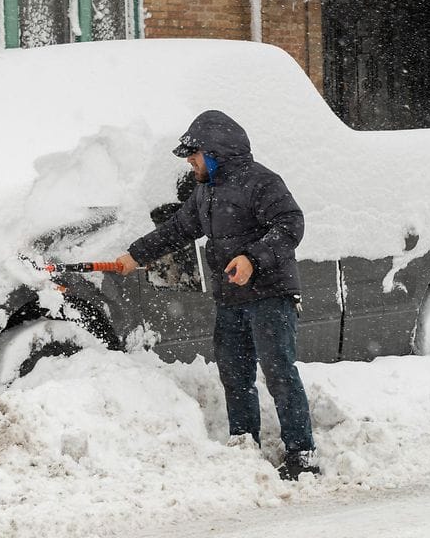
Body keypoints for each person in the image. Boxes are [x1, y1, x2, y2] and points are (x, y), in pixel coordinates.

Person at [115, 110, 319, 480]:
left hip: (271, 294)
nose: (191, 163)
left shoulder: (262, 182)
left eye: (194, 155)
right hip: (231, 298)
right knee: (234, 374)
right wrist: (136, 254)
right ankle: (244, 444)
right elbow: (178, 229)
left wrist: (253, 259)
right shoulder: (205, 192)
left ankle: (302, 453)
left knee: (278, 373)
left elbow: (291, 224)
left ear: (216, 152)